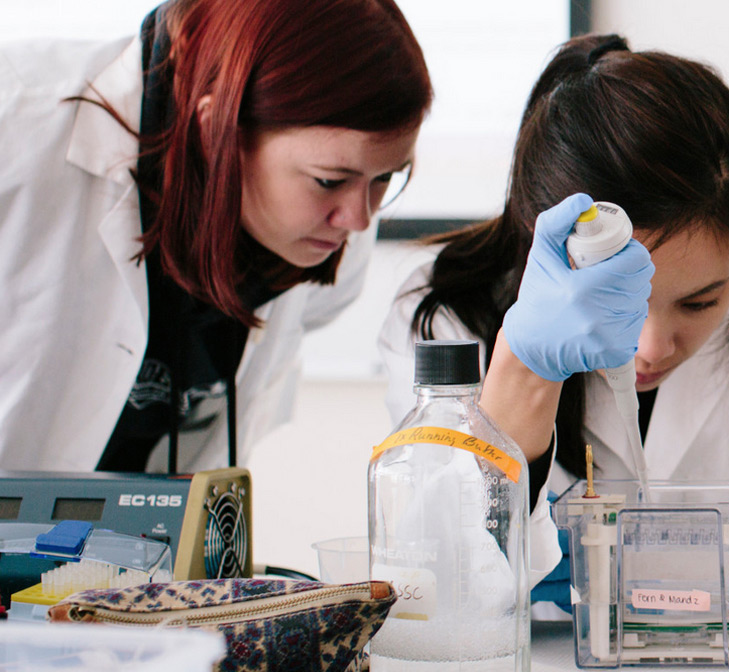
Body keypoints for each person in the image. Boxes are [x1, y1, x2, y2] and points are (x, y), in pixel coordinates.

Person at [378, 34, 729, 627]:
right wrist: (521, 375)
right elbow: (430, 598)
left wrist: (661, 597)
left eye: (701, 302)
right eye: (616, 305)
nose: (649, 348)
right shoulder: (444, 317)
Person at [0, 0, 429, 473]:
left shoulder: (329, 229)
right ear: (214, 128)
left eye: (387, 177)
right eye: (329, 180)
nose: (359, 220)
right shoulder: (17, 126)